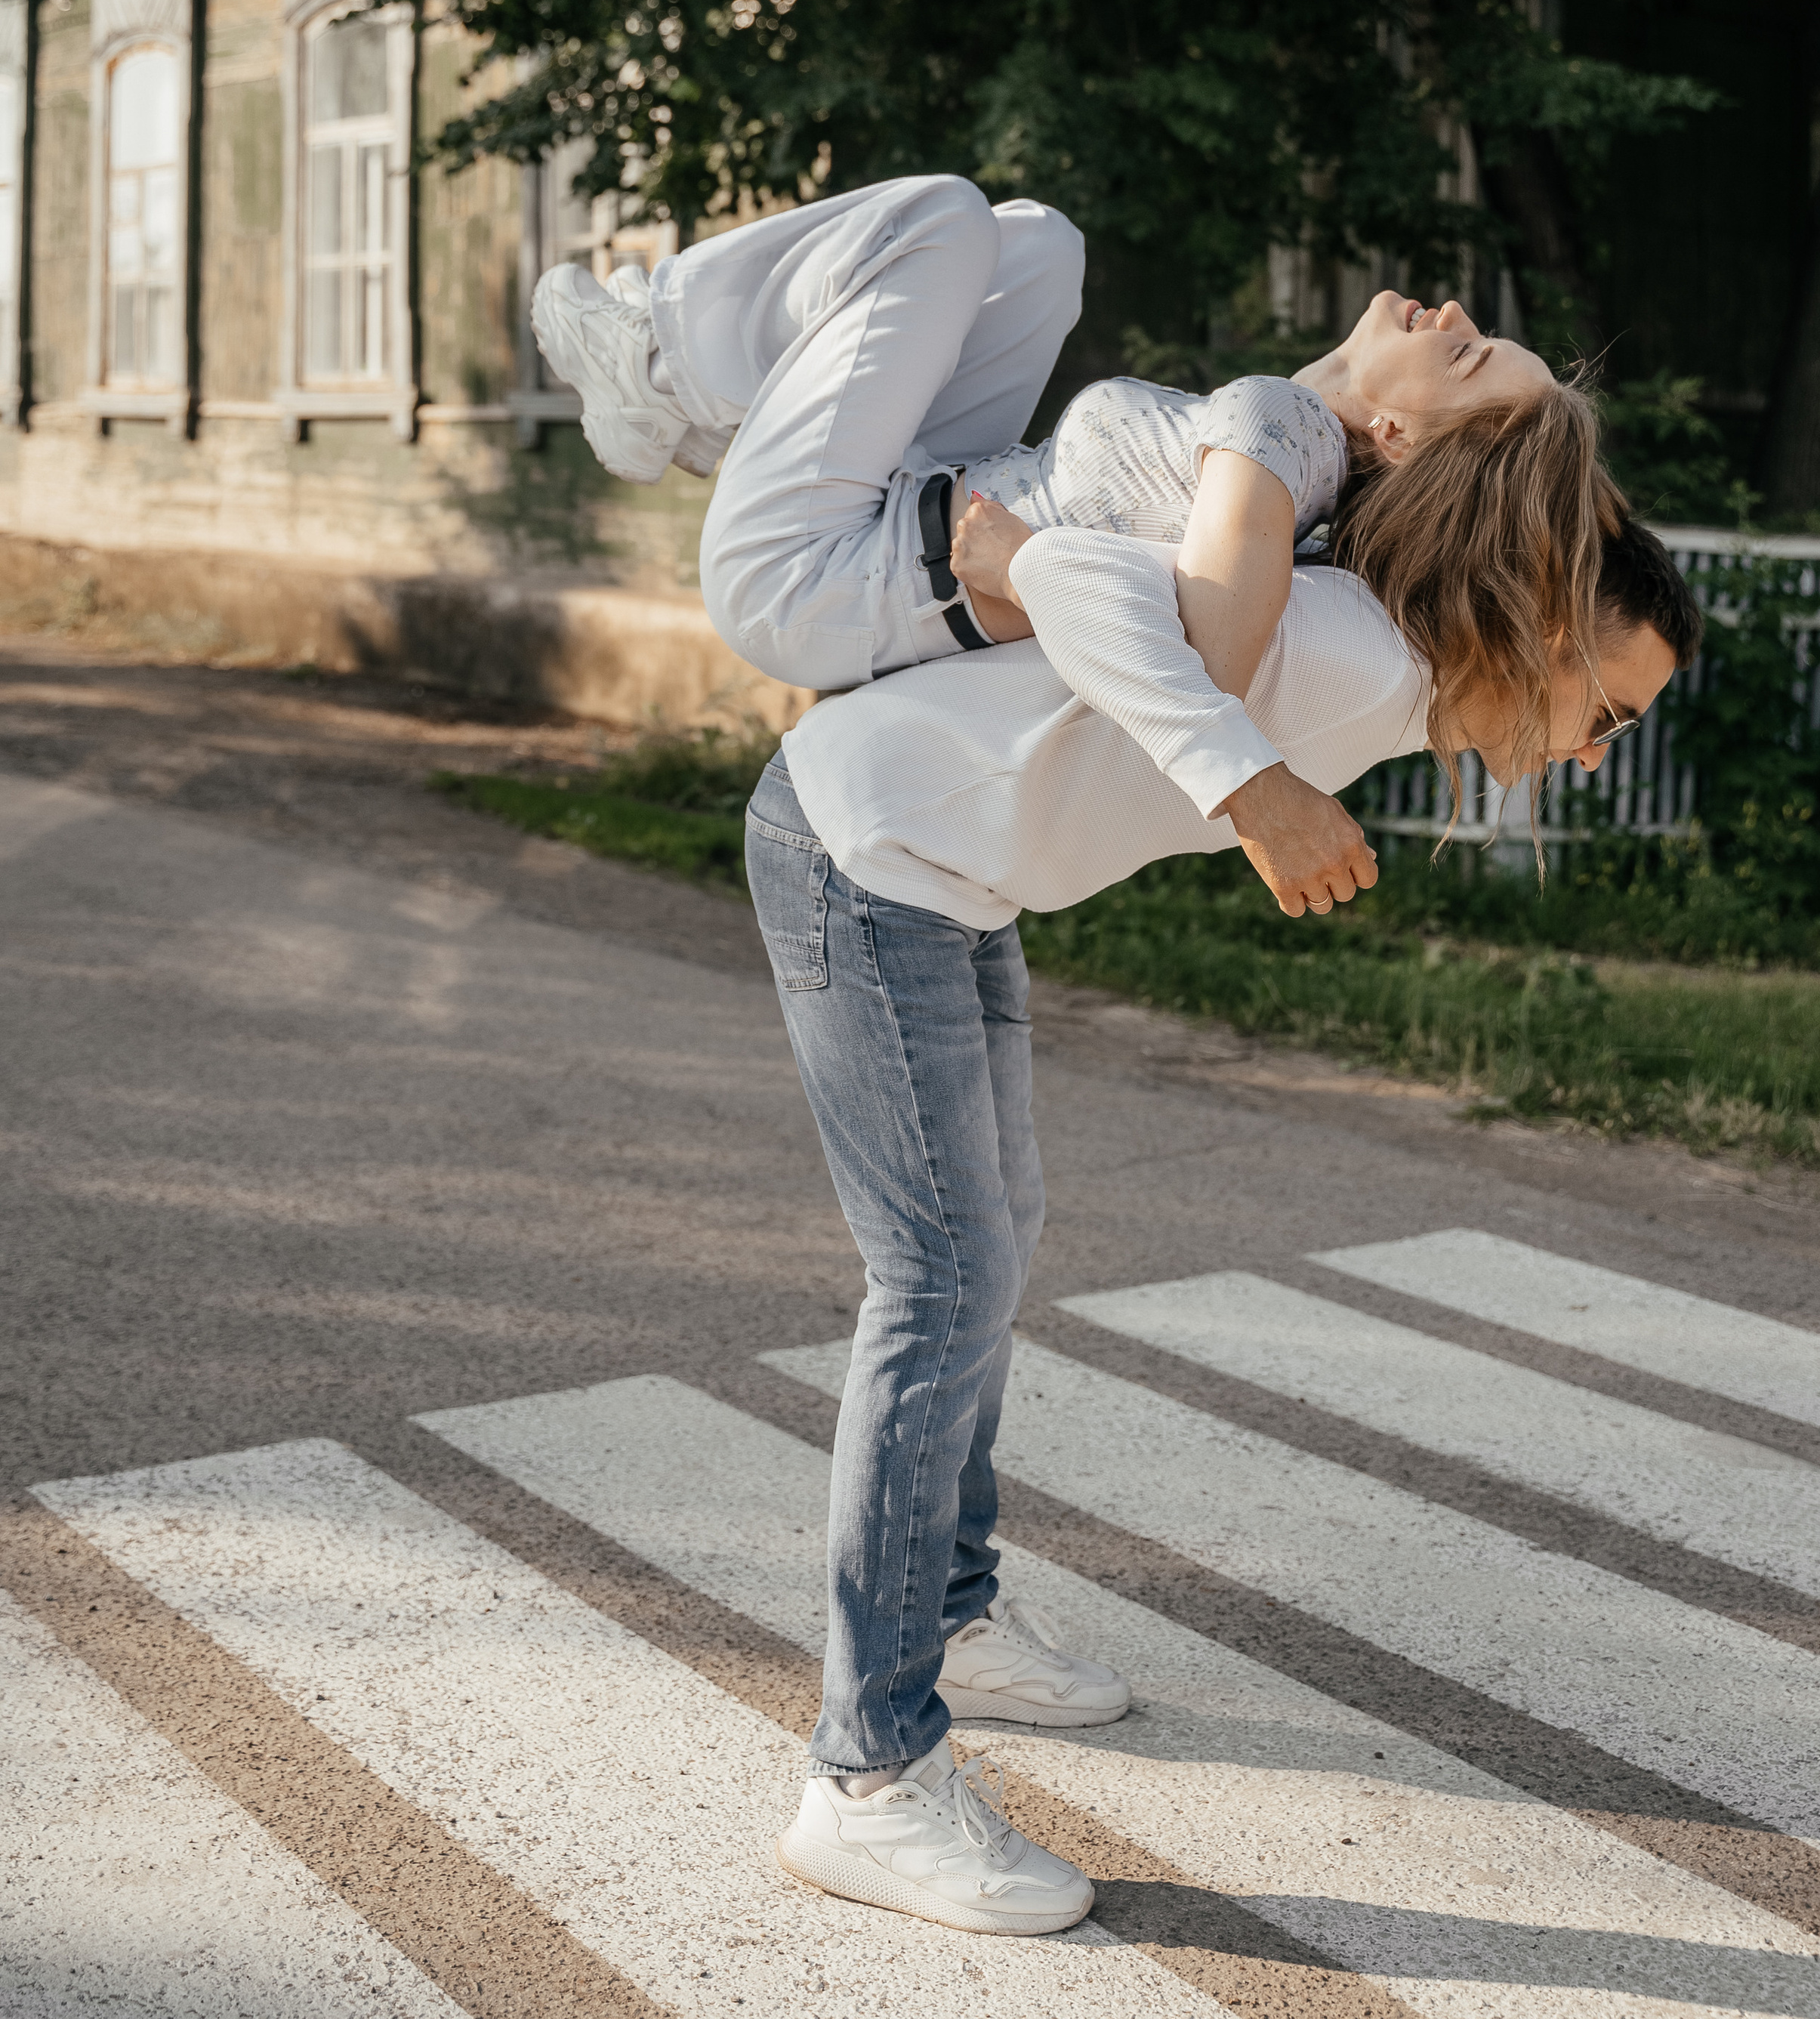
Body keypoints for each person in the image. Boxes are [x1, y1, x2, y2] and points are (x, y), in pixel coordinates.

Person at [747, 508, 1701, 1937]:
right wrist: (1248, 786)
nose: (1592, 752)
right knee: (942, 1282)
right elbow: (1088, 581)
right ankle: (869, 1777)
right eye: (1606, 709)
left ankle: (950, 1611)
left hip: (953, 878)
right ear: (1546, 635)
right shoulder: (1353, 655)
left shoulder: (1389, 676)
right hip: (862, 848)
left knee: (994, 1236)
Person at [534, 174, 1598, 909]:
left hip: (817, 579)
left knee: (943, 217)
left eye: (1468, 357)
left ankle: (653, 358)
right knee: (1039, 241)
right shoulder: (1286, 438)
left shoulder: (1277, 450)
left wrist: (1252, 791)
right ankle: (726, 403)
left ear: (1402, 438)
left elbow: (1214, 657)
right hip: (895, 515)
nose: (1454, 313)